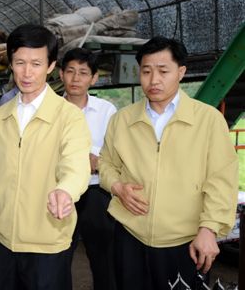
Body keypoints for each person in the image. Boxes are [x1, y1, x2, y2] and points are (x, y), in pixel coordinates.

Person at [99, 36, 239, 289]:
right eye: (146, 71)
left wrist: (209, 229)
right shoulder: (122, 120)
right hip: (130, 235)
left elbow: (221, 179)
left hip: (185, 241)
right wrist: (117, 187)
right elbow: (106, 164)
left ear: (181, 72)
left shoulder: (207, 120)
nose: (154, 80)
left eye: (163, 71)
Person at [0, 24, 92, 290]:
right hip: (5, 242)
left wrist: (66, 191)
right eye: (20, 63)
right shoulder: (2, 116)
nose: (27, 73)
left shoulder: (68, 116)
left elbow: (76, 165)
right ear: (11, 63)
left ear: (51, 66)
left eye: (36, 63)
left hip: (48, 243)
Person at [59, 48, 117, 290]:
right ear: (61, 74)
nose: (76, 78)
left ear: (93, 78)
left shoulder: (107, 110)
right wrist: (84, 157)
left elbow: (115, 152)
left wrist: (97, 159)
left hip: (96, 192)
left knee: (103, 258)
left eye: (83, 73)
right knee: (58, 256)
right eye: (70, 71)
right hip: (60, 193)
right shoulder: (51, 110)